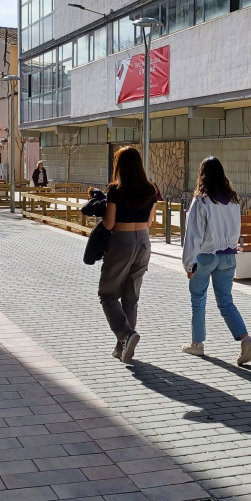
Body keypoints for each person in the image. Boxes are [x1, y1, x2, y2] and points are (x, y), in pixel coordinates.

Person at [181, 157, 251, 366]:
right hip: (229, 255)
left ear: (202, 175)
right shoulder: (233, 200)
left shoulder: (201, 200)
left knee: (198, 299)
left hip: (206, 256)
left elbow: (193, 235)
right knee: (225, 301)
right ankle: (246, 339)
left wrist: (188, 264)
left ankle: (197, 343)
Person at [98, 147, 159, 363]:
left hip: (121, 242)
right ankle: (122, 348)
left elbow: (109, 224)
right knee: (131, 298)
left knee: (107, 294)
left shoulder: (115, 190)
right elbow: (150, 221)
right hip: (143, 241)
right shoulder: (151, 189)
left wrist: (100, 211)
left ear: (120, 166)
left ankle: (126, 335)